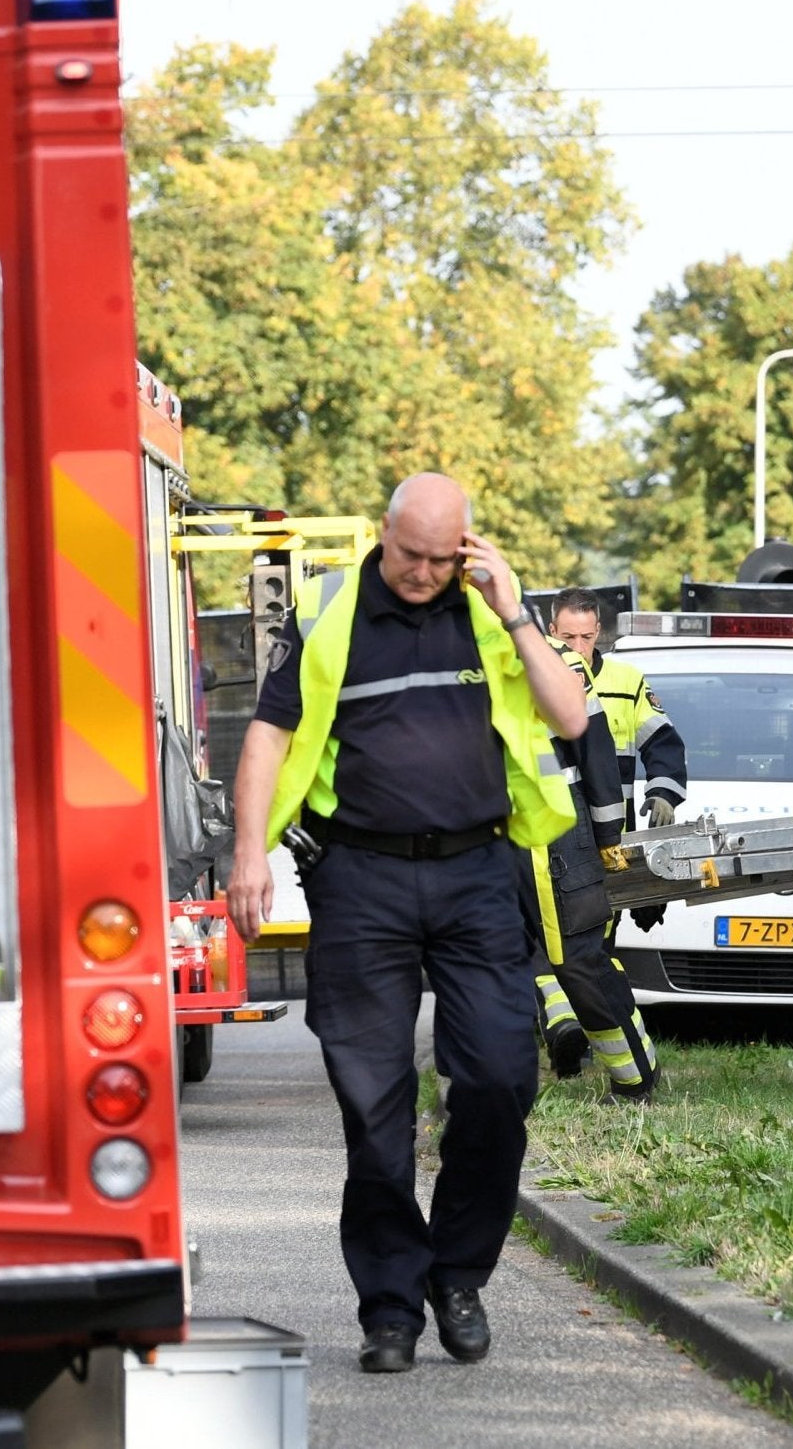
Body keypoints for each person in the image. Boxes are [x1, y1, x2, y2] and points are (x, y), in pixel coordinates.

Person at [226, 473, 589, 1375]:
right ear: (383, 535)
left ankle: (457, 1272)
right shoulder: (328, 610)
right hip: (361, 880)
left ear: (466, 546)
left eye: (442, 557)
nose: (423, 572)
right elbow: (269, 735)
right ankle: (391, 1306)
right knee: (374, 1110)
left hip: (475, 875)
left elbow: (570, 715)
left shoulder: (489, 608)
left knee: (503, 1077)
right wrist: (246, 853)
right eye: (409, 554)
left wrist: (516, 615)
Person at [520, 638, 663, 1103]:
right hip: (490, 835)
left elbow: (594, 748)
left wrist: (607, 837)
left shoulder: (557, 660)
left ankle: (635, 1077)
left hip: (558, 832)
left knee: (579, 958)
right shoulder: (451, 654)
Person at [549, 588, 687, 827]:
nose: (579, 648)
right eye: (568, 637)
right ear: (552, 632)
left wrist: (663, 794)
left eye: (587, 636)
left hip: (616, 837)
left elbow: (662, 743)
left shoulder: (626, 681)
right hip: (557, 833)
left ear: (598, 631)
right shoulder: (535, 684)